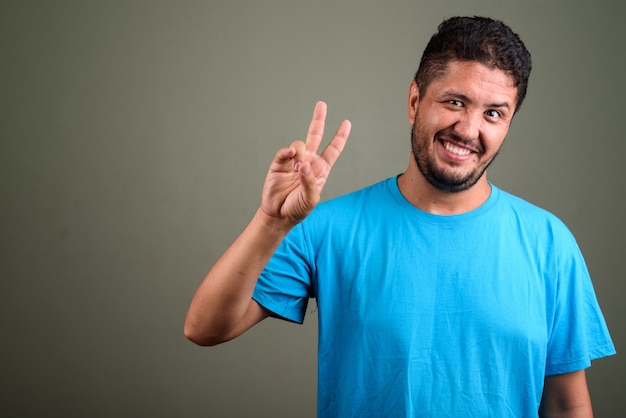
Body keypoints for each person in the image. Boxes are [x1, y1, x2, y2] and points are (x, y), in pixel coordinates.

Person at [185, 16, 615, 417]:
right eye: (454, 101)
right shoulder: (328, 227)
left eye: (493, 113)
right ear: (414, 101)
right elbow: (204, 328)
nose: (468, 129)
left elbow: (566, 406)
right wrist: (271, 222)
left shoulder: (549, 243)